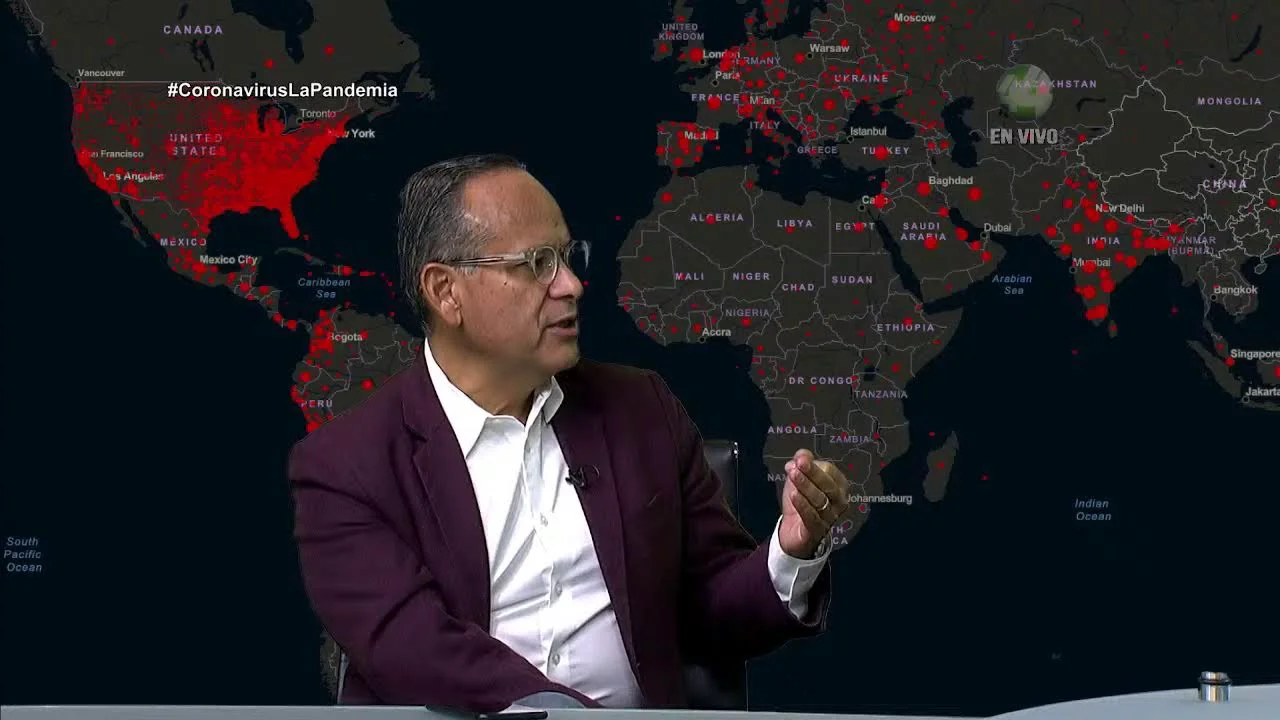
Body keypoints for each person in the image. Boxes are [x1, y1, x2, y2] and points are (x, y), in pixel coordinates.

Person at [288, 154, 851, 712]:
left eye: (566, 257)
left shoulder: (642, 409)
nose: (572, 285)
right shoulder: (344, 467)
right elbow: (417, 654)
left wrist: (789, 551)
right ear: (446, 291)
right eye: (537, 263)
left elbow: (711, 606)